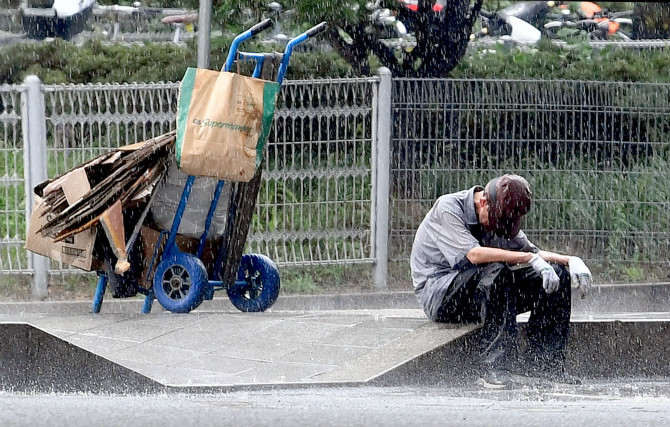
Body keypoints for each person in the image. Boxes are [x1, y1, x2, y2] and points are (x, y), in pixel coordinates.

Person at [410, 174, 593, 389]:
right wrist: (528, 259)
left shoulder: (502, 216)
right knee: (497, 269)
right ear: (484, 202)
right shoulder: (448, 208)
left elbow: (531, 252)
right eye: (498, 223)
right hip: (442, 297)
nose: (499, 230)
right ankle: (494, 367)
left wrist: (570, 261)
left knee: (556, 275)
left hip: (486, 292)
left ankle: (543, 365)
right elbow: (474, 255)